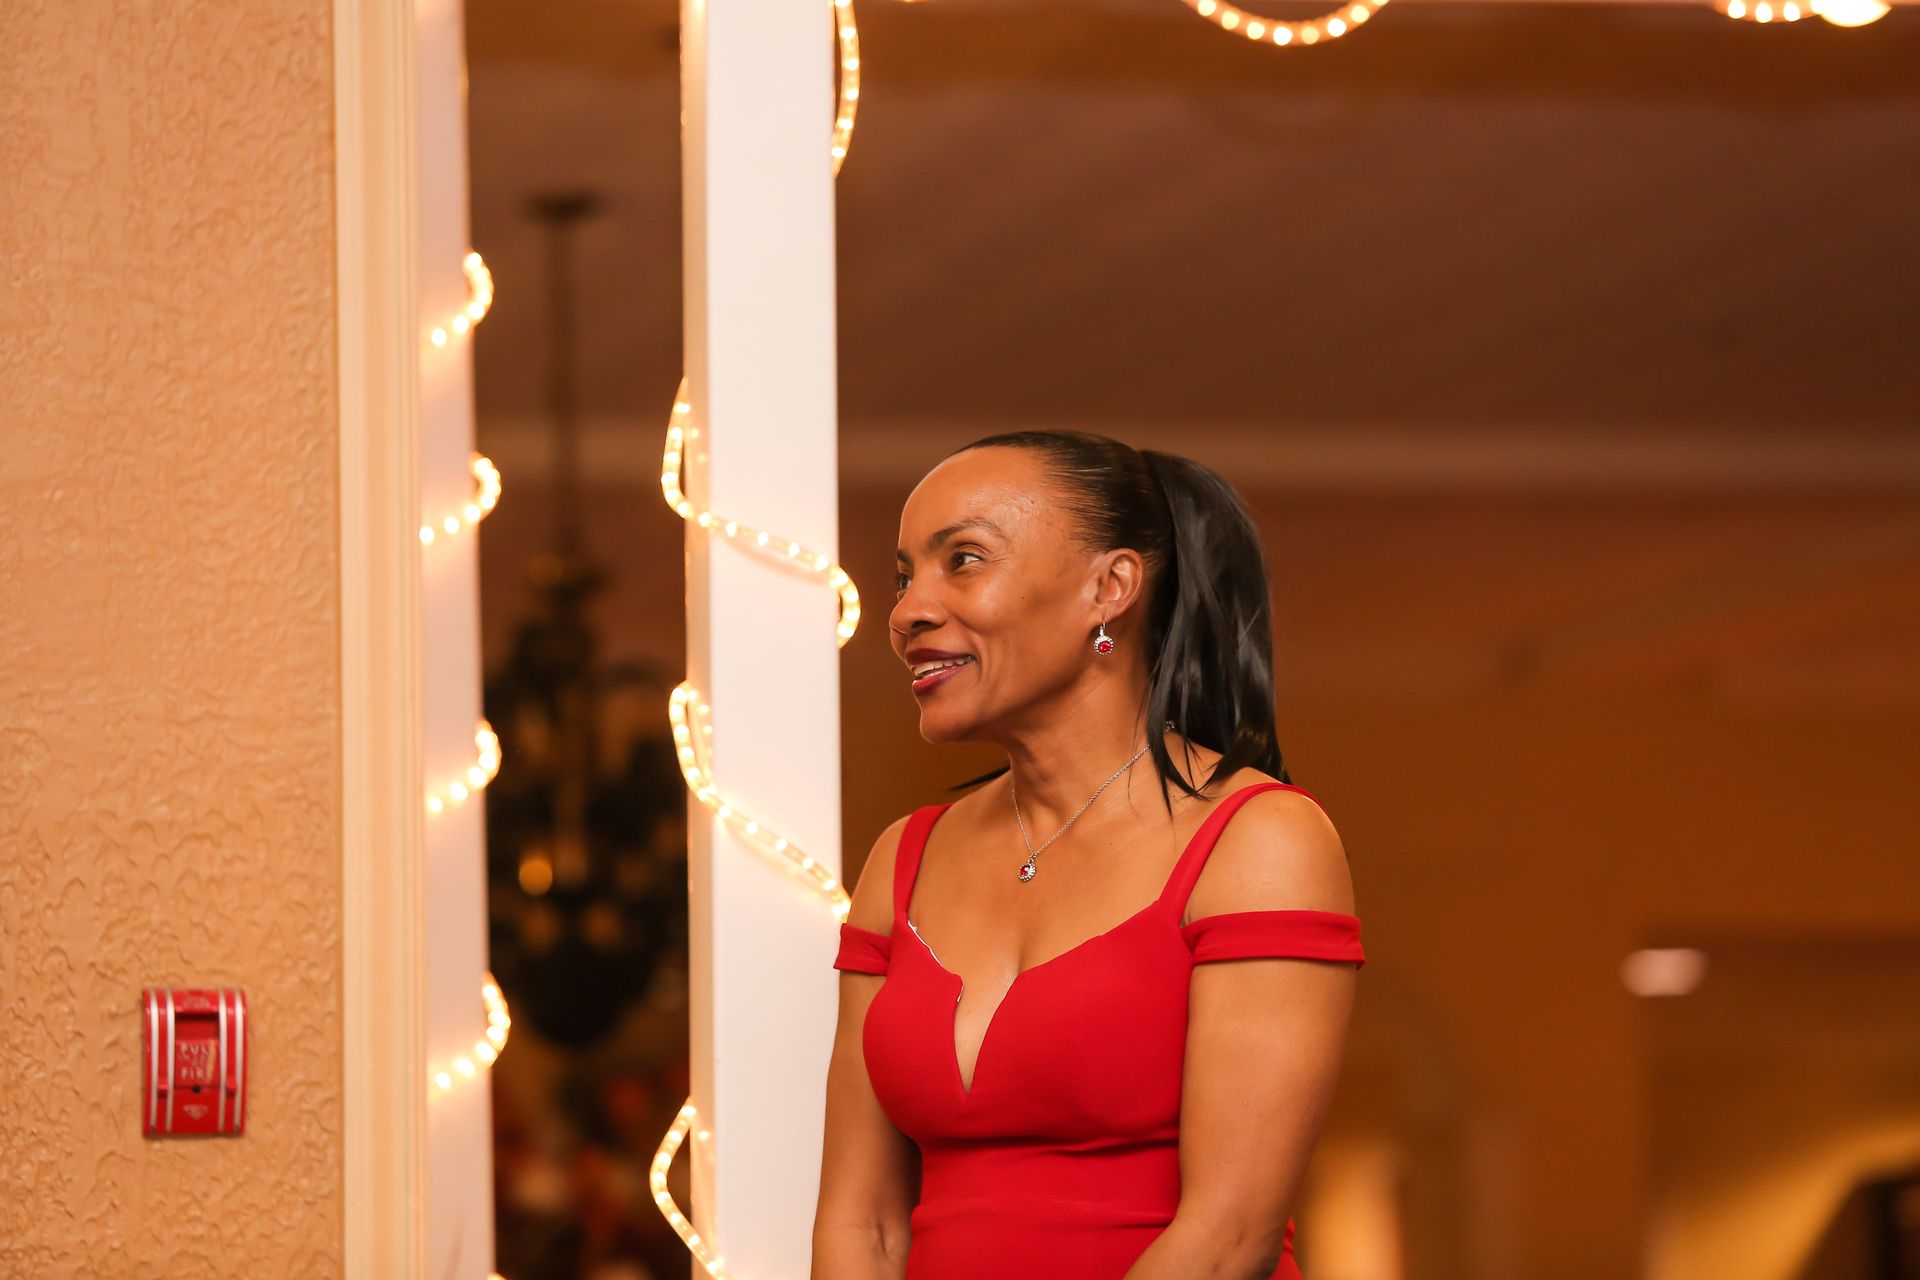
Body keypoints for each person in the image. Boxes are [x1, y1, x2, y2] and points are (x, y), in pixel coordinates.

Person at [812, 430, 1367, 1280]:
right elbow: (864, 1228)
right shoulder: (903, 858)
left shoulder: (1257, 838)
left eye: (963, 560)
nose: (907, 611)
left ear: (1109, 588)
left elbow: (1227, 1241)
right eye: (903, 576)